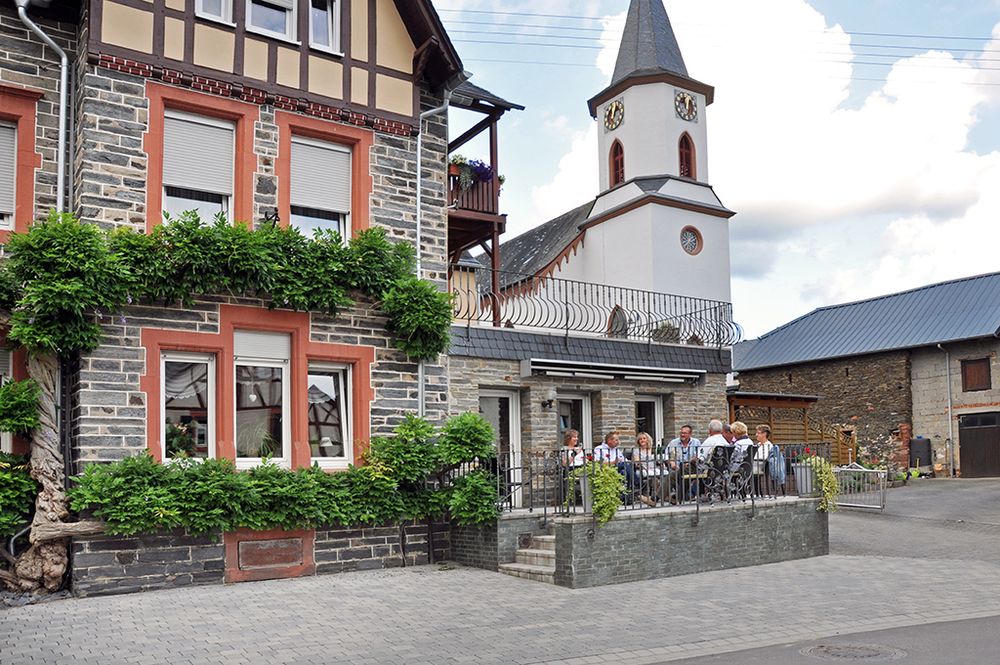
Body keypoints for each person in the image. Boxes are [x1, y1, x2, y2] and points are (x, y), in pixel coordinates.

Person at [594, 431, 641, 503]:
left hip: (618, 469)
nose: (618, 442)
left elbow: (624, 459)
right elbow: (598, 463)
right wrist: (613, 462)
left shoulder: (616, 449)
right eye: (616, 440)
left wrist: (629, 462)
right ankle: (636, 482)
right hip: (607, 469)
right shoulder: (599, 449)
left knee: (624, 470)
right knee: (625, 465)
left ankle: (625, 497)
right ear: (609, 440)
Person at [665, 425, 701, 502]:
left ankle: (677, 497)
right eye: (681, 433)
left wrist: (693, 460)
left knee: (679, 475)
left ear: (690, 434)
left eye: (685, 433)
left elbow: (700, 456)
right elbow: (666, 456)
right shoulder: (673, 442)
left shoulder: (696, 442)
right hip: (676, 467)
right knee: (673, 474)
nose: (682, 435)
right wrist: (671, 462)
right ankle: (684, 496)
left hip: (691, 467)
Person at [631, 432, 659, 507]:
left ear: (648, 440)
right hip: (642, 469)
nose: (642, 440)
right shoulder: (636, 450)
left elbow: (657, 460)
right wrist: (642, 466)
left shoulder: (652, 449)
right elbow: (637, 461)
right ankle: (654, 498)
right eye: (640, 439)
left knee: (659, 476)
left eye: (644, 438)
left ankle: (654, 497)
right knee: (653, 477)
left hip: (654, 469)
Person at [753, 424, 774, 497]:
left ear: (764, 434)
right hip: (755, 464)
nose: (756, 435)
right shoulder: (758, 445)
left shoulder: (768, 445)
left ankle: (757, 493)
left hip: (762, 466)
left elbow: (763, 457)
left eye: (758, 433)